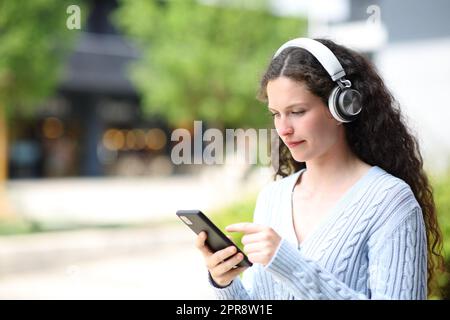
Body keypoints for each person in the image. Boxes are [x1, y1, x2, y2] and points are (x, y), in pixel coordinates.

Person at [195, 38, 443, 299]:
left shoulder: (389, 201)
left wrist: (290, 265)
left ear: (342, 107)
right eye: (276, 114)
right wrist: (225, 284)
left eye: (298, 111)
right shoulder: (273, 198)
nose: (284, 128)